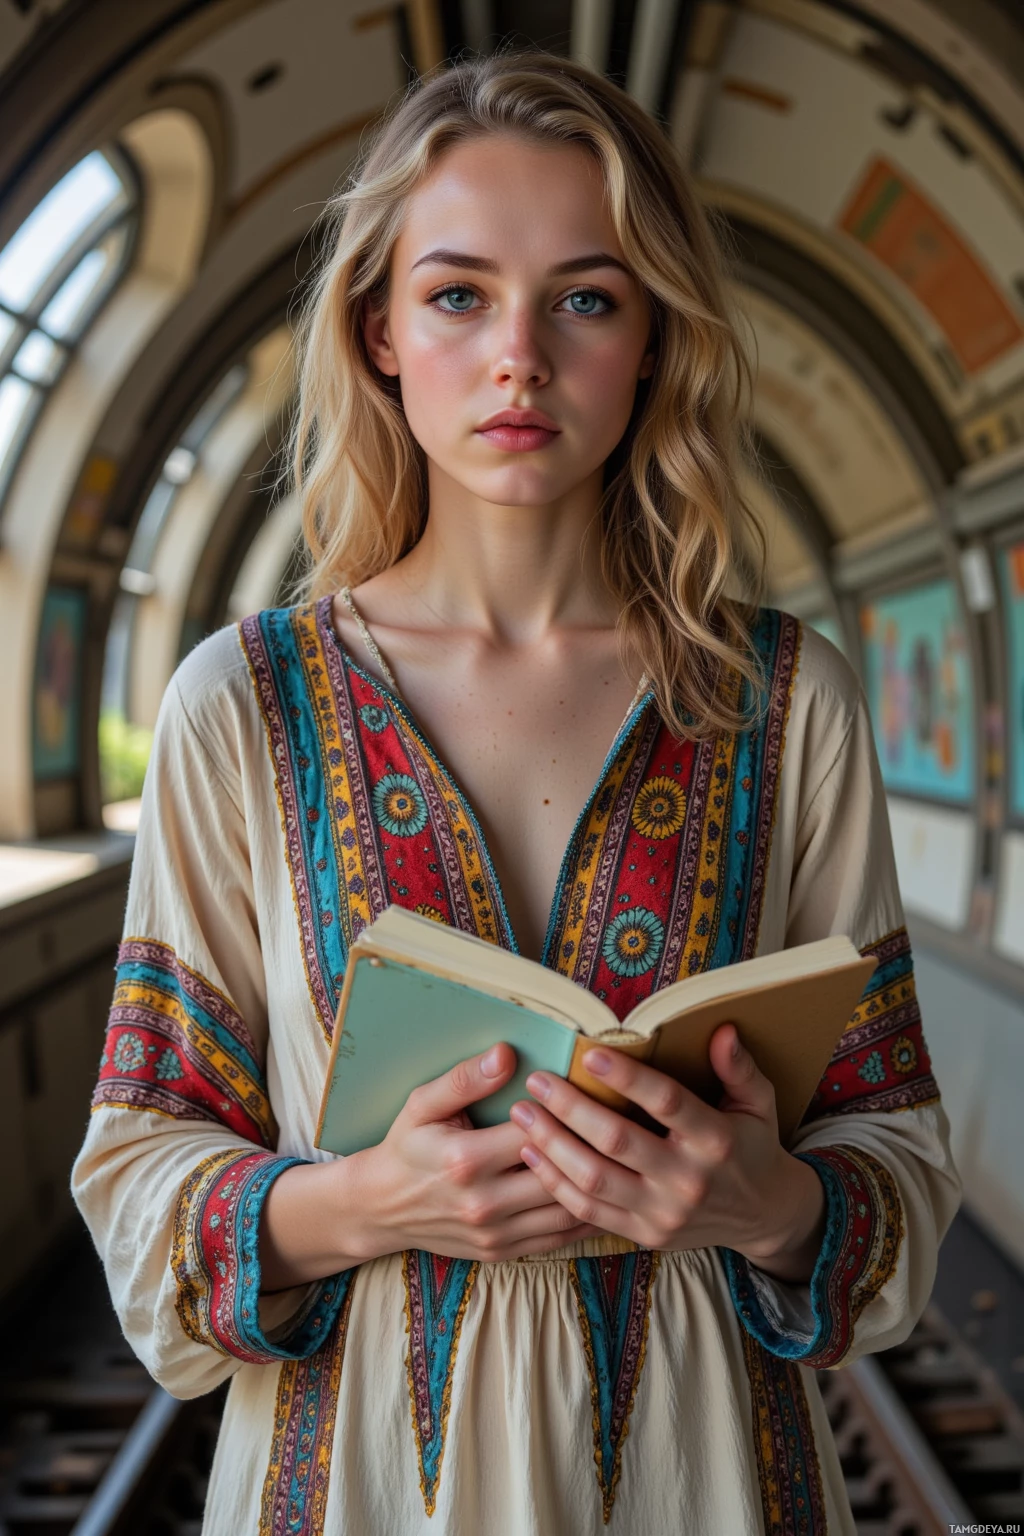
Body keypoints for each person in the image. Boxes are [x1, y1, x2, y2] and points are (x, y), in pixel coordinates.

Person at [72, 50, 961, 1536]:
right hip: (349, 1481)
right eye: (459, 293)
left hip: (707, 1478)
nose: (520, 358)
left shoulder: (785, 702)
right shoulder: (244, 706)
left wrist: (767, 1206)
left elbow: (896, 1149)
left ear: (658, 339)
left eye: (588, 298)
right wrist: (364, 1204)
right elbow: (141, 1161)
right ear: (377, 334)